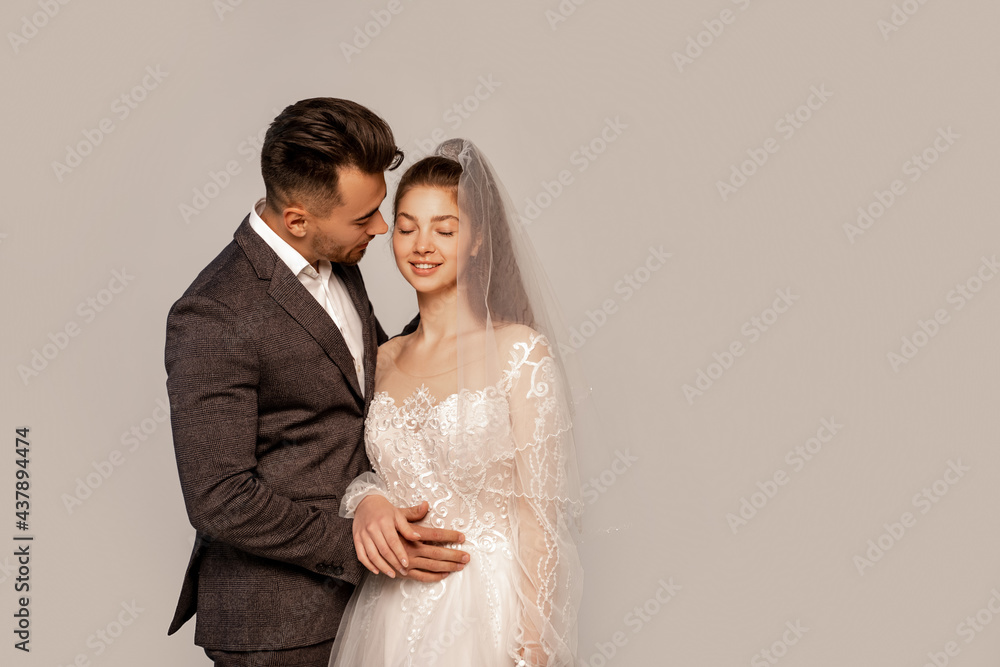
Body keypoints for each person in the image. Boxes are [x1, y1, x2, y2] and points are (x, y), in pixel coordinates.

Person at [164, 98, 470, 667]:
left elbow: (371, 383)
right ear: (297, 219)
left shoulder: (339, 259)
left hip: (371, 611)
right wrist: (361, 541)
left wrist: (457, 308)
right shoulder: (213, 313)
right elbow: (219, 498)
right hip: (278, 626)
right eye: (365, 219)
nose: (383, 228)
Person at [329, 139, 584, 667]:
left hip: (488, 609)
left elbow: (542, 515)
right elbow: (372, 472)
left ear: (476, 241)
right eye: (406, 227)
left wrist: (533, 644)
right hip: (391, 611)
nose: (422, 244)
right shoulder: (381, 358)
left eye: (444, 229)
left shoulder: (520, 352)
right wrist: (367, 502)